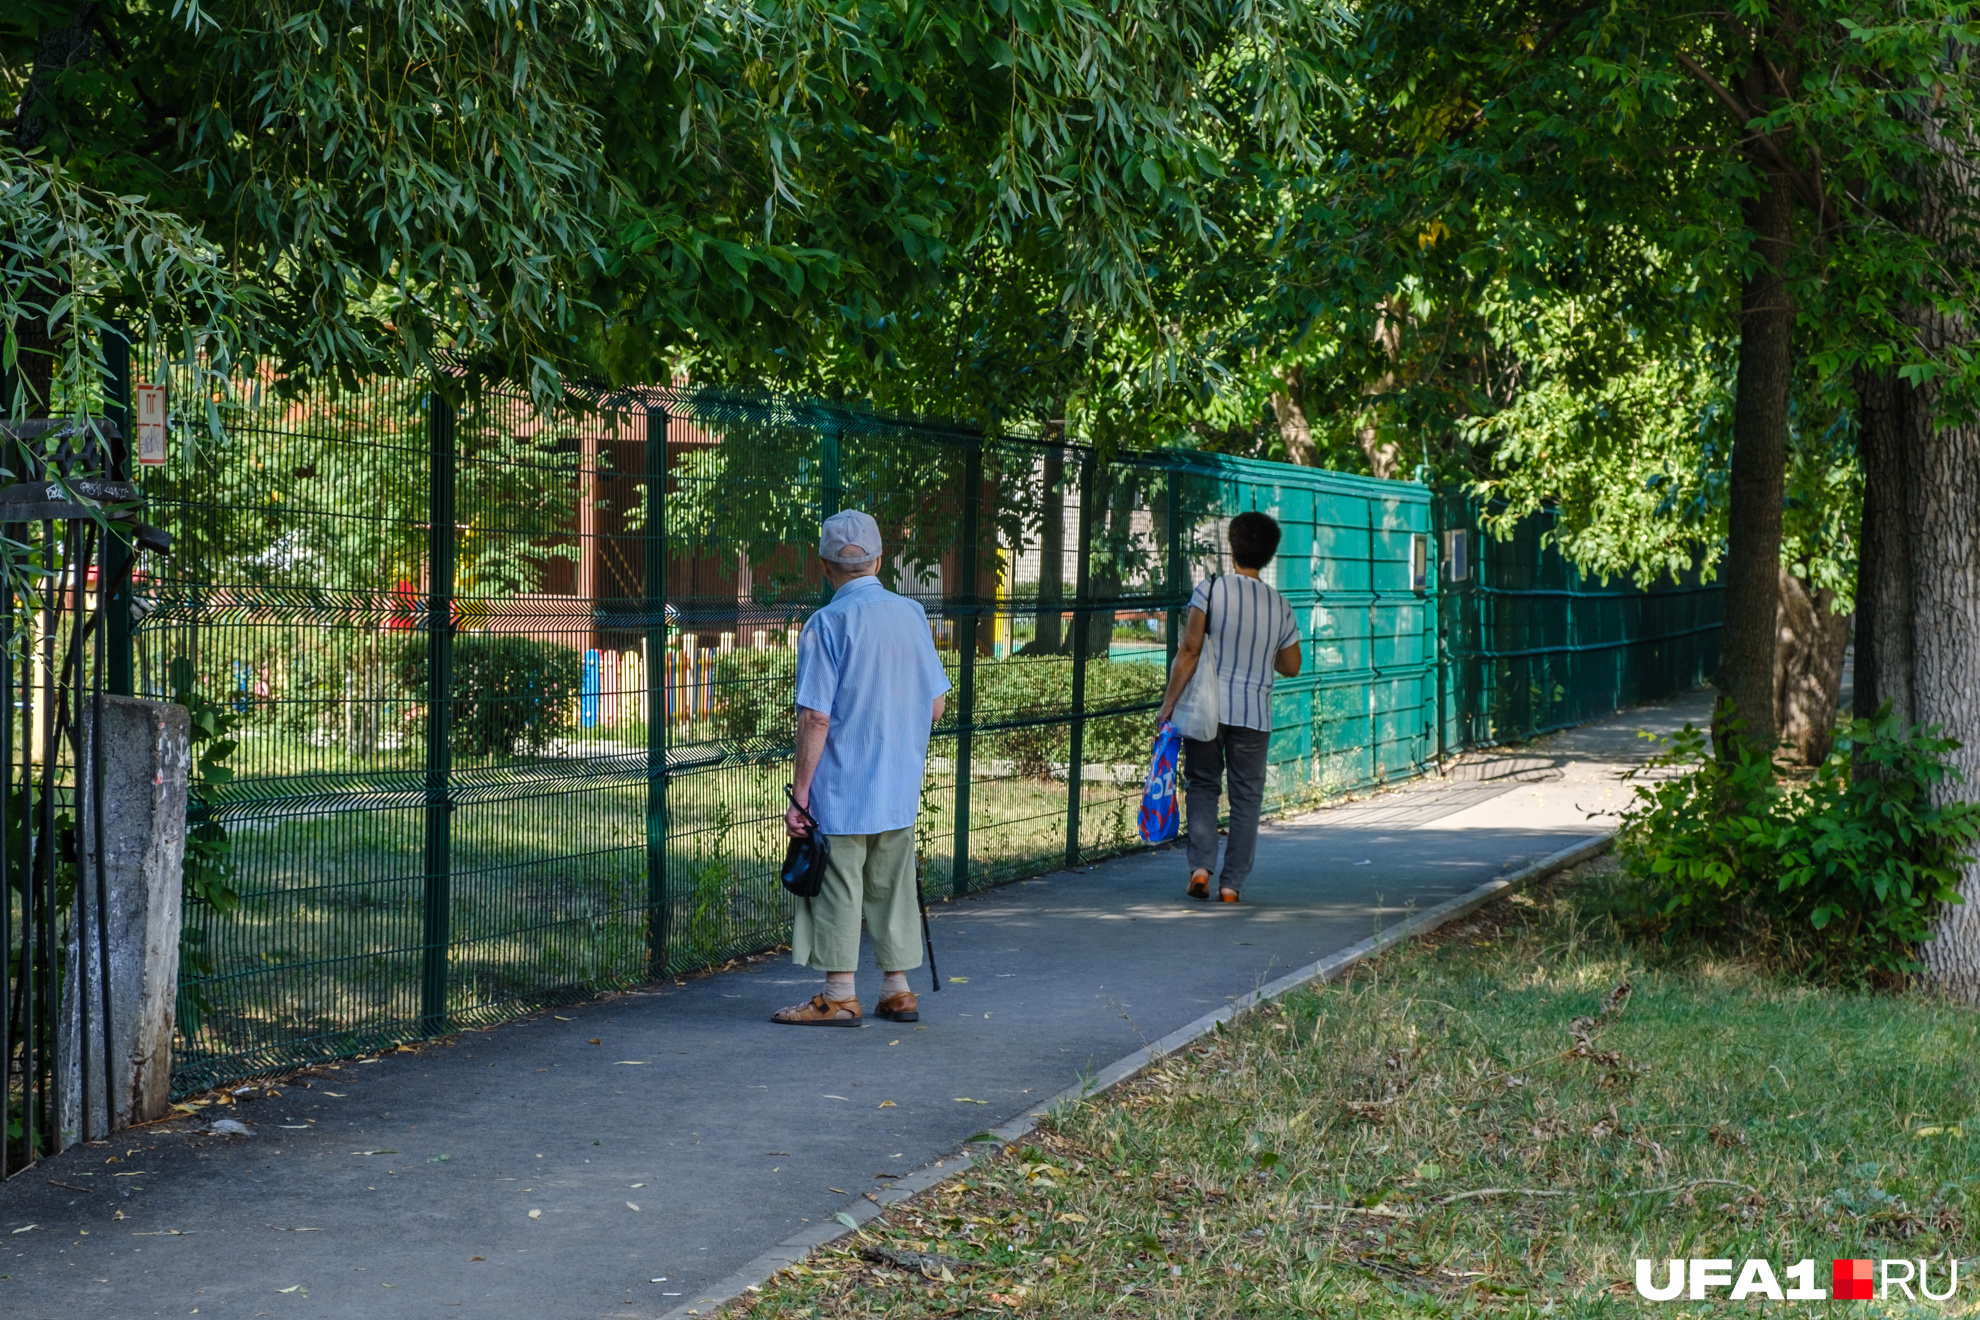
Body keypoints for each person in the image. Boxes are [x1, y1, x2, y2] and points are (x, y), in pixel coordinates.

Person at [776, 509, 951, 1026]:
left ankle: (838, 995)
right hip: (897, 786)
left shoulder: (827, 622)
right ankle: (898, 991)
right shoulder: (912, 614)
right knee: (892, 886)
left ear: (824, 566)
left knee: (837, 886)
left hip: (843, 788)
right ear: (879, 559)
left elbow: (815, 716)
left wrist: (800, 795)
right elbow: (936, 705)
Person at [1155, 511, 1301, 903]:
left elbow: (1190, 650)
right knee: (1247, 798)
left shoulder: (1211, 590)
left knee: (1202, 784)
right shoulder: (1280, 604)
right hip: (1254, 714)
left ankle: (1201, 869)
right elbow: (1291, 665)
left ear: (1231, 548)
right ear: (1269, 554)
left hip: (1208, 710)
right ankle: (1232, 885)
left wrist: (1168, 704)